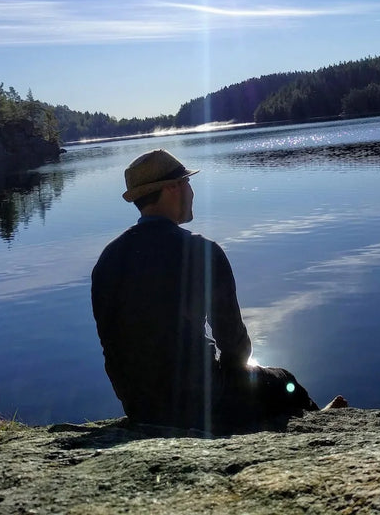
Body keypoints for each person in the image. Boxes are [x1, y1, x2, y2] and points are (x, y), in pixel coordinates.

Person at [91, 148, 345, 433]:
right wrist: (239, 381)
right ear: (171, 188)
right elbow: (235, 348)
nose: (192, 192)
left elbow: (110, 344)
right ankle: (320, 425)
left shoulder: (108, 260)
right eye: (187, 182)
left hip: (139, 407)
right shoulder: (201, 252)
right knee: (283, 380)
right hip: (201, 404)